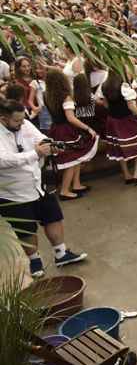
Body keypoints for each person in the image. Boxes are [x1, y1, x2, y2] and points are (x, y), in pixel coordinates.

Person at [0, 98, 87, 278]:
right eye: (17, 120)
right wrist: (35, 153)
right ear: (3, 119)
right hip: (13, 192)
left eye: (23, 119)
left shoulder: (24, 124)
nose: (22, 123)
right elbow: (4, 160)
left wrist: (51, 146)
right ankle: (34, 260)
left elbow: (40, 138)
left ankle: (61, 253)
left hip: (37, 183)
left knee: (53, 217)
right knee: (26, 229)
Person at [43, 69, 99, 200]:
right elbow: (71, 118)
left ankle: (76, 184)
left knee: (75, 158)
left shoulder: (46, 95)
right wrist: (88, 128)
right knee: (72, 161)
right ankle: (64, 191)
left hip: (55, 129)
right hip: (66, 131)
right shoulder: (66, 97)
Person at [96, 71, 137, 184]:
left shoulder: (104, 85)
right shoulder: (123, 86)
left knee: (119, 147)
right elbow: (131, 107)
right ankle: (136, 174)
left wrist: (111, 107)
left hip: (112, 120)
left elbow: (102, 102)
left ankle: (127, 174)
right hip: (126, 120)